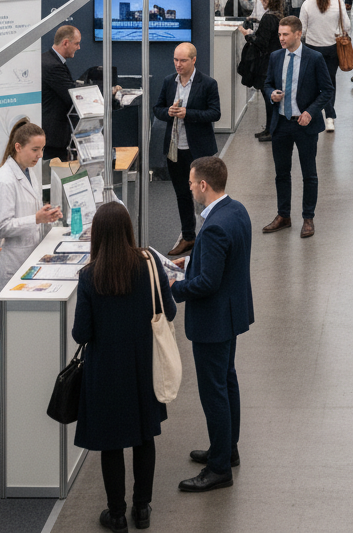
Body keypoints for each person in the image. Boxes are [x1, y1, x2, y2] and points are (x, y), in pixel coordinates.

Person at [72, 202, 177, 529]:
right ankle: (142, 509)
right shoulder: (149, 264)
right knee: (145, 437)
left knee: (111, 444)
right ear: (129, 230)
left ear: (97, 235)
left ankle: (116, 514)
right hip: (144, 366)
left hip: (105, 372)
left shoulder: (89, 276)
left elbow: (81, 333)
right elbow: (170, 311)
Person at [172, 156, 254, 493]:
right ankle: (227, 449)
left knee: (214, 391)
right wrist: (191, 261)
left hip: (213, 321)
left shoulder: (215, 225)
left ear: (204, 185)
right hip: (231, 314)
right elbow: (221, 261)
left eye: (192, 183)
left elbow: (207, 283)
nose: (190, 188)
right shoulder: (236, 211)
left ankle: (219, 468)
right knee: (226, 380)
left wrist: (172, 287)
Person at [0, 120, 61, 410]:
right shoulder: (4, 180)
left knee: (15, 325)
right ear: (18, 147)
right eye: (35, 149)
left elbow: (25, 211)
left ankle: (11, 382)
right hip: (10, 261)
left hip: (26, 256)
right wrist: (35, 219)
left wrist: (42, 213)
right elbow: (1, 226)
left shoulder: (26, 171)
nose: (40, 155)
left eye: (42, 149)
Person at [261, 16, 334, 238]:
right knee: (281, 173)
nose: (281, 38)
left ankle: (308, 218)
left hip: (305, 125)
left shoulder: (314, 58)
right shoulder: (276, 57)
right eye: (279, 34)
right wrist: (271, 94)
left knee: (309, 174)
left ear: (298, 34)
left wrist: (310, 112)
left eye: (285, 34)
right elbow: (267, 83)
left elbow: (327, 90)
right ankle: (283, 215)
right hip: (281, 123)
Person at [153, 42, 221, 257]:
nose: (178, 64)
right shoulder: (168, 82)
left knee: (205, 196)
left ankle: (208, 237)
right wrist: (168, 112)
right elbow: (157, 109)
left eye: (182, 60)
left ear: (194, 60)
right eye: (175, 60)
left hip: (199, 150)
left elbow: (215, 113)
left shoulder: (208, 83)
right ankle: (188, 237)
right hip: (175, 149)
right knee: (182, 194)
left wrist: (188, 114)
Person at [300, 0, 350, 133]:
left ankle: (312, 114)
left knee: (314, 84)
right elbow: (347, 26)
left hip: (312, 49)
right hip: (332, 49)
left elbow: (302, 30)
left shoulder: (307, 5)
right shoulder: (338, 1)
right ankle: (330, 118)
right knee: (329, 83)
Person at [244, 0, 285, 142]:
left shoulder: (269, 18)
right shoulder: (278, 15)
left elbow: (262, 42)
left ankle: (271, 130)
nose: (261, 1)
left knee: (269, 98)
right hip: (275, 62)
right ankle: (270, 128)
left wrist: (248, 35)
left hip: (266, 64)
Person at [41, 24, 81, 161]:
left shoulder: (48, 59)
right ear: (65, 43)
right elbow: (71, 97)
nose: (79, 47)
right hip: (53, 138)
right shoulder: (53, 66)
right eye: (76, 43)